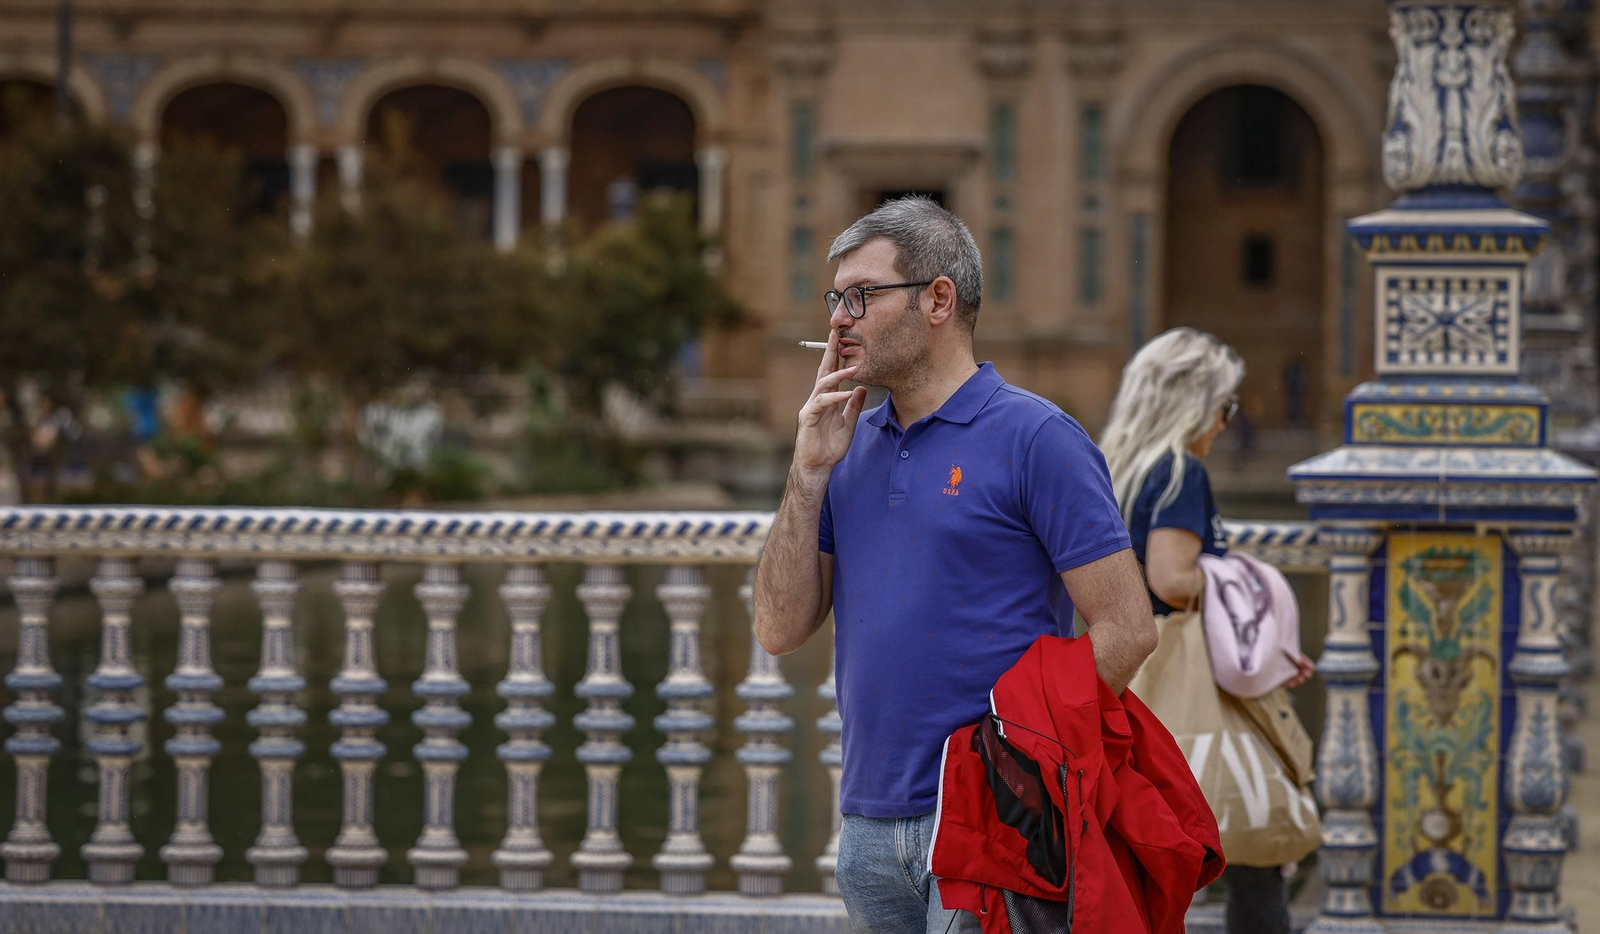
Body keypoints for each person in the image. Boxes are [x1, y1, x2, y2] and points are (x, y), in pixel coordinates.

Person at [752, 196, 1157, 933]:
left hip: (991, 825)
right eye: (834, 298)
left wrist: (1013, 761)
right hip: (868, 826)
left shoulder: (1039, 439)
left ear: (938, 299)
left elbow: (1127, 630)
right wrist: (808, 471)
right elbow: (778, 630)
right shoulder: (845, 445)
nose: (838, 318)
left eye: (862, 296)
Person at [1098, 327, 1316, 934]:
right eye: (1224, 406)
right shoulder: (1179, 472)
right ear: (1194, 404)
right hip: (1185, 689)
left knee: (1143, 855)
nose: (1225, 423)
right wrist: (1239, 580)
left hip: (1128, 680)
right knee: (1251, 850)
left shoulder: (1117, 467)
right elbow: (1172, 579)